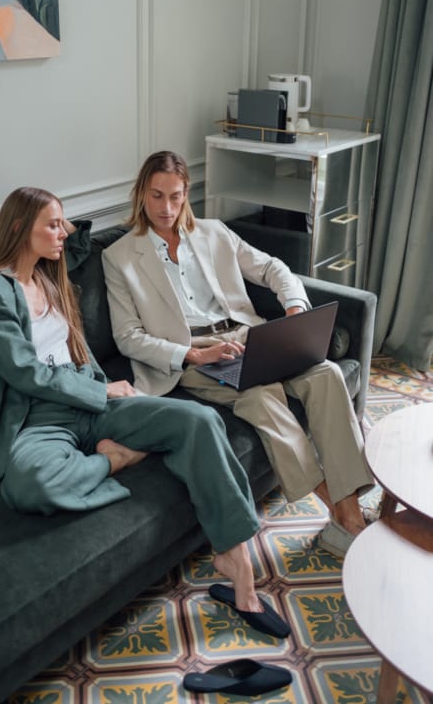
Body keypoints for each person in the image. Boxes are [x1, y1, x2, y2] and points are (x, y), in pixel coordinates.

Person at [0, 186, 290, 639]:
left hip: (89, 395)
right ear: (19, 228)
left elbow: (79, 240)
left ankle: (234, 559)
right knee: (30, 484)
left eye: (61, 223)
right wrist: (104, 401)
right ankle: (117, 457)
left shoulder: (47, 273)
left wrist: (54, 219)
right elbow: (23, 373)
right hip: (38, 415)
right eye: (52, 225)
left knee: (199, 420)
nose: (62, 233)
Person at [102, 152, 374, 558]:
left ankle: (347, 512)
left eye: (175, 196)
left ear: (186, 193)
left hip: (249, 335)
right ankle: (345, 517)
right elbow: (128, 337)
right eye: (156, 196)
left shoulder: (214, 233)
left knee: (327, 374)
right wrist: (195, 355)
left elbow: (273, 268)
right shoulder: (120, 257)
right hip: (194, 355)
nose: (166, 208)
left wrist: (294, 308)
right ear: (141, 193)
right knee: (261, 396)